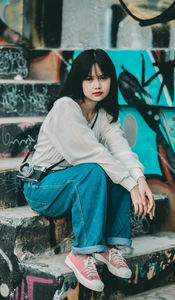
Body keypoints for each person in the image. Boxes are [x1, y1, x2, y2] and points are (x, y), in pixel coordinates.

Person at [23, 49, 155, 292]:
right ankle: (82, 254)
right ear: (78, 80)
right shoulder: (65, 107)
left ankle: (107, 246)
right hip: (42, 186)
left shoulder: (103, 114)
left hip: (74, 183)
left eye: (103, 78)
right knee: (96, 168)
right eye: (89, 78)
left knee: (114, 168)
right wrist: (131, 184)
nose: (97, 85)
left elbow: (122, 151)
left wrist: (140, 179)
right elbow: (90, 152)